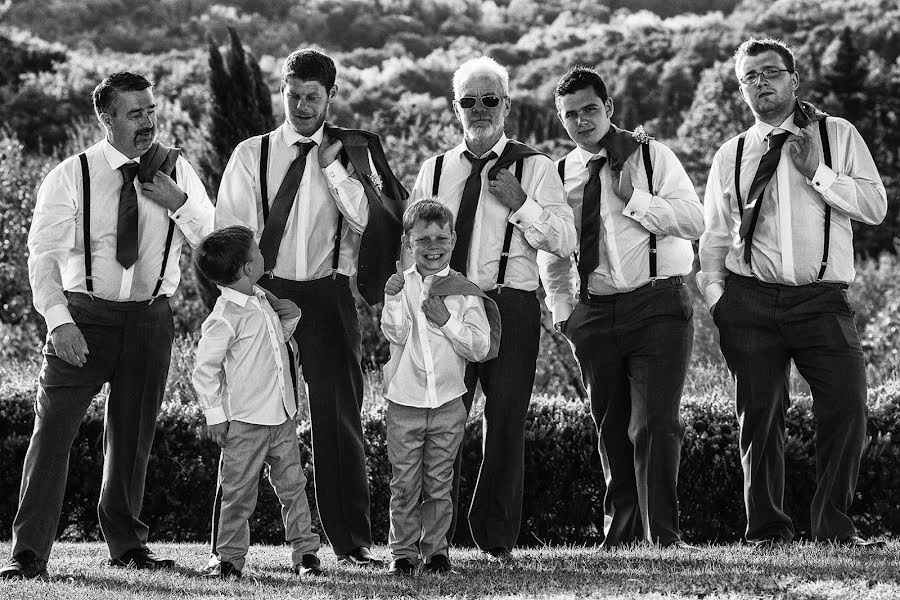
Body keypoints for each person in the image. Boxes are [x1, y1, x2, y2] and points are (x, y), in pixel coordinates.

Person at [0, 72, 214, 580]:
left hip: (150, 320)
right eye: (135, 113)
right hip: (83, 318)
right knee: (51, 433)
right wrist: (58, 322)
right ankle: (29, 553)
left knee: (133, 436)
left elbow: (215, 240)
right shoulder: (70, 175)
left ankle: (127, 545)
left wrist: (178, 203)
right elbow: (43, 257)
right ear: (106, 118)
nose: (147, 122)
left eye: (151, 110)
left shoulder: (176, 169)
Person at [215, 48, 407, 566]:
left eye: (312, 97)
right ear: (283, 92)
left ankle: (350, 543)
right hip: (264, 293)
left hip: (327, 293)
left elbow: (373, 222)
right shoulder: (249, 154)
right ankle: (230, 551)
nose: (301, 106)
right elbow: (231, 234)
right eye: (293, 95)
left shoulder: (350, 153)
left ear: (331, 97)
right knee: (250, 418)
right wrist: (244, 299)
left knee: (338, 419)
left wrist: (334, 173)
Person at [698, 38, 887, 548]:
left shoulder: (837, 134)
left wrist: (818, 174)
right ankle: (767, 530)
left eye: (770, 72)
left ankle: (833, 527)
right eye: (749, 78)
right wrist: (718, 297)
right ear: (742, 90)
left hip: (822, 298)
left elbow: (875, 206)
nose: (760, 83)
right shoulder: (730, 153)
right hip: (750, 301)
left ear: (794, 78)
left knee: (847, 408)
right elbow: (715, 234)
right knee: (758, 418)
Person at [409, 56, 576, 560]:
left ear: (506, 104)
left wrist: (522, 203)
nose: (479, 109)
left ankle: (495, 536)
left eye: (489, 99)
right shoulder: (434, 169)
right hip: (446, 304)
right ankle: (434, 536)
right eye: (469, 100)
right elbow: (409, 241)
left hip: (511, 306)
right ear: (455, 107)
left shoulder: (537, 167)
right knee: (439, 420)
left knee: (504, 422)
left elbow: (564, 241)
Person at [540, 66, 704, 548]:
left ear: (609, 108)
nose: (583, 121)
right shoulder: (558, 175)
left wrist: (636, 199)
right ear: (561, 121)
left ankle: (663, 536)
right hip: (593, 313)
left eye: (590, 109)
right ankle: (623, 534)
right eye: (571, 115)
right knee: (610, 426)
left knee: (654, 423)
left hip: (658, 304)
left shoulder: (653, 156)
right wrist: (564, 312)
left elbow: (695, 221)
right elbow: (554, 252)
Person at [192, 226, 321, 579]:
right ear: (248, 267)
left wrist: (290, 318)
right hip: (245, 422)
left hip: (282, 417)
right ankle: (230, 559)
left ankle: (306, 555)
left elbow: (276, 347)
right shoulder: (223, 317)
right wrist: (216, 416)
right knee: (238, 494)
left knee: (294, 487)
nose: (264, 254)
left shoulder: (262, 298)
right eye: (258, 251)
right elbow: (204, 372)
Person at [381, 200, 500, 576]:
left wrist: (446, 321)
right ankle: (402, 553)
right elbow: (395, 333)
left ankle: (436, 553)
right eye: (423, 239)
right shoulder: (401, 286)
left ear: (453, 239)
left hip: (449, 402)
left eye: (441, 238)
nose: (433, 246)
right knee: (404, 483)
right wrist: (393, 296)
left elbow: (480, 348)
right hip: (405, 401)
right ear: (407, 242)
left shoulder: (464, 291)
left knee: (439, 482)